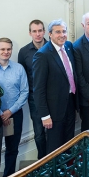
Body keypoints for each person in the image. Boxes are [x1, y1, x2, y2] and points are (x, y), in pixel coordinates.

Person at [33, 19, 77, 154]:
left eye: (64, 31)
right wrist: (45, 116)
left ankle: (66, 173)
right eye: (58, 32)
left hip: (70, 104)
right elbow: (38, 89)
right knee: (55, 149)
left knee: (68, 144)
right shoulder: (42, 55)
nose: (62, 35)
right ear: (50, 34)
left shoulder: (69, 47)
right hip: (53, 111)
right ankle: (55, 176)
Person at [0, 37, 29, 177]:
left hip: (15, 114)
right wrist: (1, 113)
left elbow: (24, 92)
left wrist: (10, 111)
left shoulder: (19, 68)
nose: (6, 52)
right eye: (2, 49)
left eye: (8, 49)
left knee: (12, 149)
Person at [18, 19, 48, 160]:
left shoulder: (52, 47)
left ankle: (54, 161)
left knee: (53, 132)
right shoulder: (24, 52)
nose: (38, 34)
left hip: (52, 97)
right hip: (34, 98)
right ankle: (42, 162)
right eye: (34, 31)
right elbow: (22, 78)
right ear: (30, 33)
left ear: (44, 31)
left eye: (40, 30)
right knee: (39, 133)